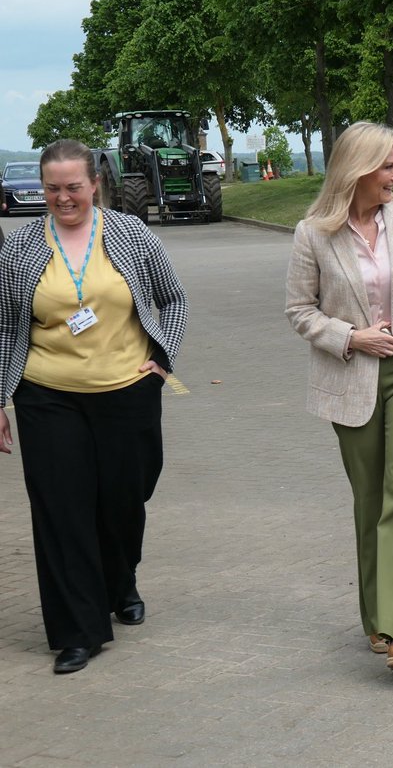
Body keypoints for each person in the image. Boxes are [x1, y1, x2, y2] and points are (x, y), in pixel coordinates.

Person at [0, 139, 188, 675]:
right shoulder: (19, 249)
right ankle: (77, 631)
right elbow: (3, 325)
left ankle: (120, 580)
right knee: (61, 511)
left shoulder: (130, 235)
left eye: (73, 187)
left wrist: (162, 358)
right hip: (46, 394)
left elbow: (174, 298)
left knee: (123, 502)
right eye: (53, 189)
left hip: (126, 391)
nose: (63, 198)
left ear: (94, 185)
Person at [285, 121, 393, 672]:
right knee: (370, 499)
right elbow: (299, 311)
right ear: (358, 170)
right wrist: (349, 337)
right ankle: (376, 619)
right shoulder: (313, 232)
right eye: (388, 165)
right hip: (352, 377)